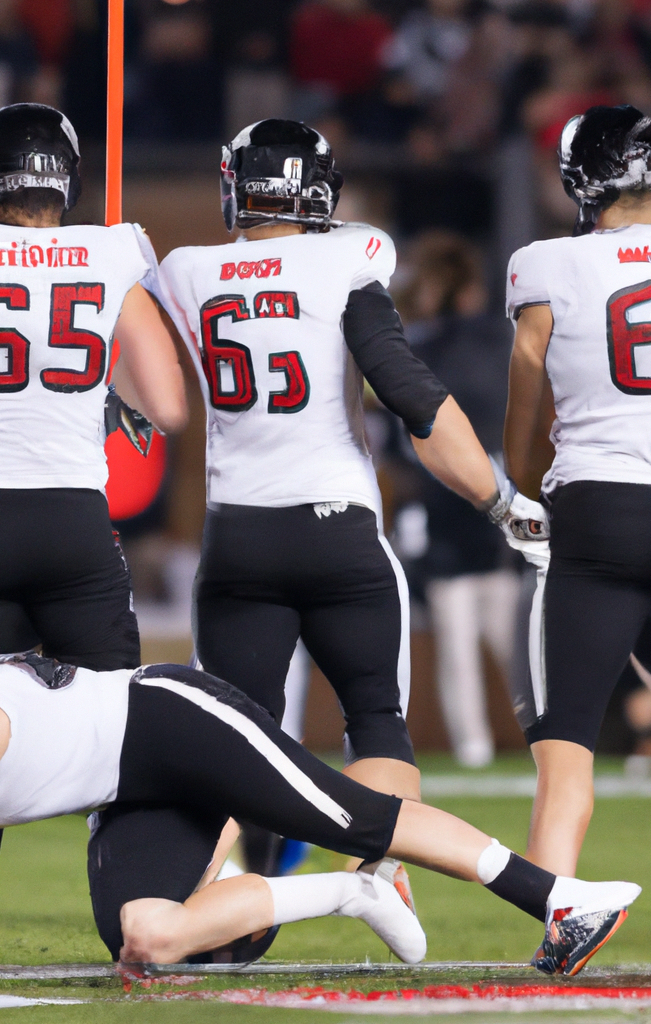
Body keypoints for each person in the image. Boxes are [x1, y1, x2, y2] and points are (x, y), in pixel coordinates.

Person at [0, 655, 639, 1018]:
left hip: (178, 723)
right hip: (132, 785)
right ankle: (352, 892)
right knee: (146, 939)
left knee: (353, 815)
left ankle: (562, 898)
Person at [156, 120, 547, 878]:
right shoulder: (352, 254)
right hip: (338, 530)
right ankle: (378, 884)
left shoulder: (185, 270)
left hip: (238, 536)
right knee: (376, 722)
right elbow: (414, 399)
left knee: (236, 737)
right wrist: (498, 499)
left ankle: (200, 901)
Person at [0, 102, 188, 969]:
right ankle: (149, 909)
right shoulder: (110, 248)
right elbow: (167, 406)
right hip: (75, 525)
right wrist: (99, 391)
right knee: (129, 725)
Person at [504, 104, 651, 876]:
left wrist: (519, 490)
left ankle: (557, 916)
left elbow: (526, 389)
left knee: (568, 750)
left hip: (599, 506)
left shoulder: (545, 263)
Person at [400, 232, 520, 769]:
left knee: (458, 641)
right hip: (504, 502)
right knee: (513, 639)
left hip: (444, 501)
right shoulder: (502, 341)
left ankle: (474, 746)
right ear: (471, 289)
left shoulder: (416, 349)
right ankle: (545, 735)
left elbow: (404, 440)